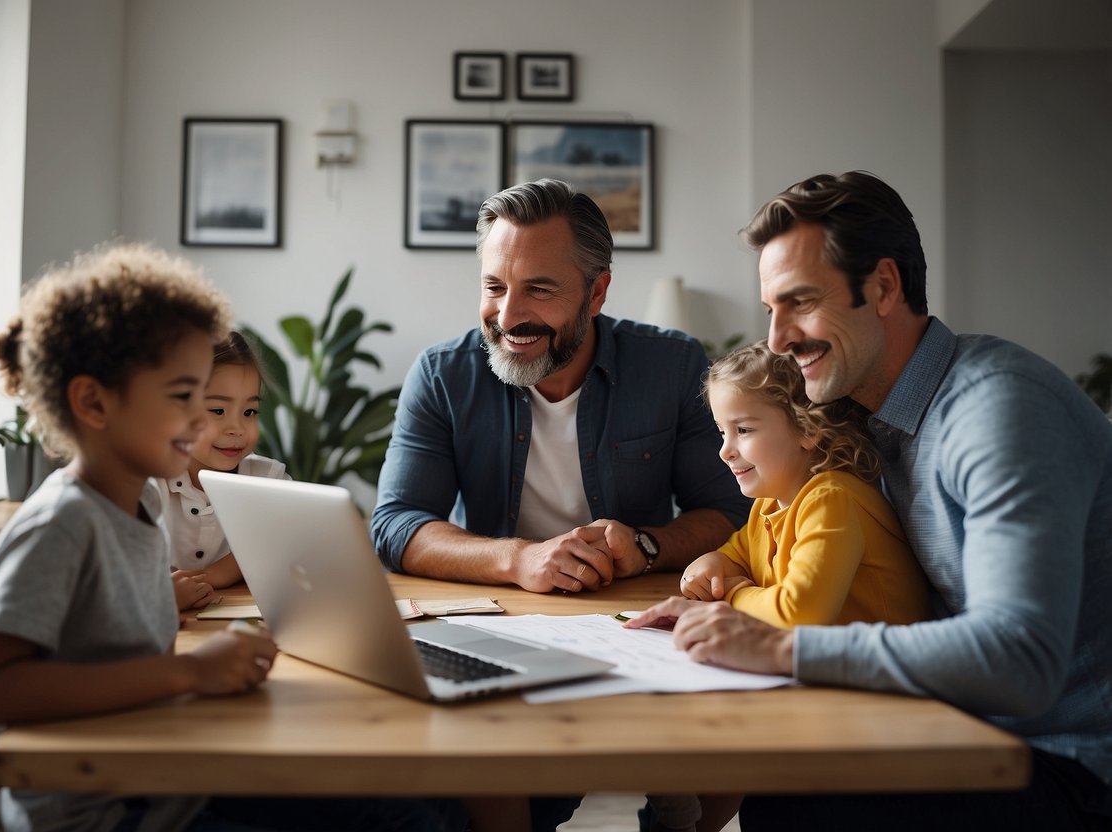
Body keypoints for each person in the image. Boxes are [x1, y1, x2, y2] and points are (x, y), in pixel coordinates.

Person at [626, 171, 1112, 830]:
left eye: (798, 302)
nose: (776, 340)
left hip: (1065, 760)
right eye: (771, 309)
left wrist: (777, 648)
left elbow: (1018, 660)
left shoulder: (999, 411)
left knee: (794, 803)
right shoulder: (864, 414)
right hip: (959, 725)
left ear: (883, 286)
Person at [0, 244, 465, 832]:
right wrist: (190, 675)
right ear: (93, 402)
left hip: (167, 777)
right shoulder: (61, 526)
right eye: (183, 396)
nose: (203, 420)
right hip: (110, 811)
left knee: (430, 804)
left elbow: (105, 641)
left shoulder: (138, 501)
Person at [371, 179, 750, 598]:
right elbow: (397, 523)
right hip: (495, 609)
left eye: (539, 289)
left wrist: (646, 546)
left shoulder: (674, 365)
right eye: (494, 287)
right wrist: (519, 559)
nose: (509, 317)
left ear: (596, 293)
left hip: (628, 611)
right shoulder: (442, 375)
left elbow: (730, 511)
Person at [644, 340, 931, 832]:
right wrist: (709, 562)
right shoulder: (770, 504)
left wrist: (730, 594)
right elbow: (734, 556)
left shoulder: (831, 499)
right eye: (721, 431)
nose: (725, 449)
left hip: (880, 694)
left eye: (744, 429)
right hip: (818, 677)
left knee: (729, 723)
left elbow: (801, 614)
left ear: (807, 430)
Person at [161, 331, 290, 612]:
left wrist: (210, 577)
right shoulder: (151, 482)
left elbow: (277, 546)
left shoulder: (269, 481)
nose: (237, 428)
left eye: (249, 412)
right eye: (218, 411)